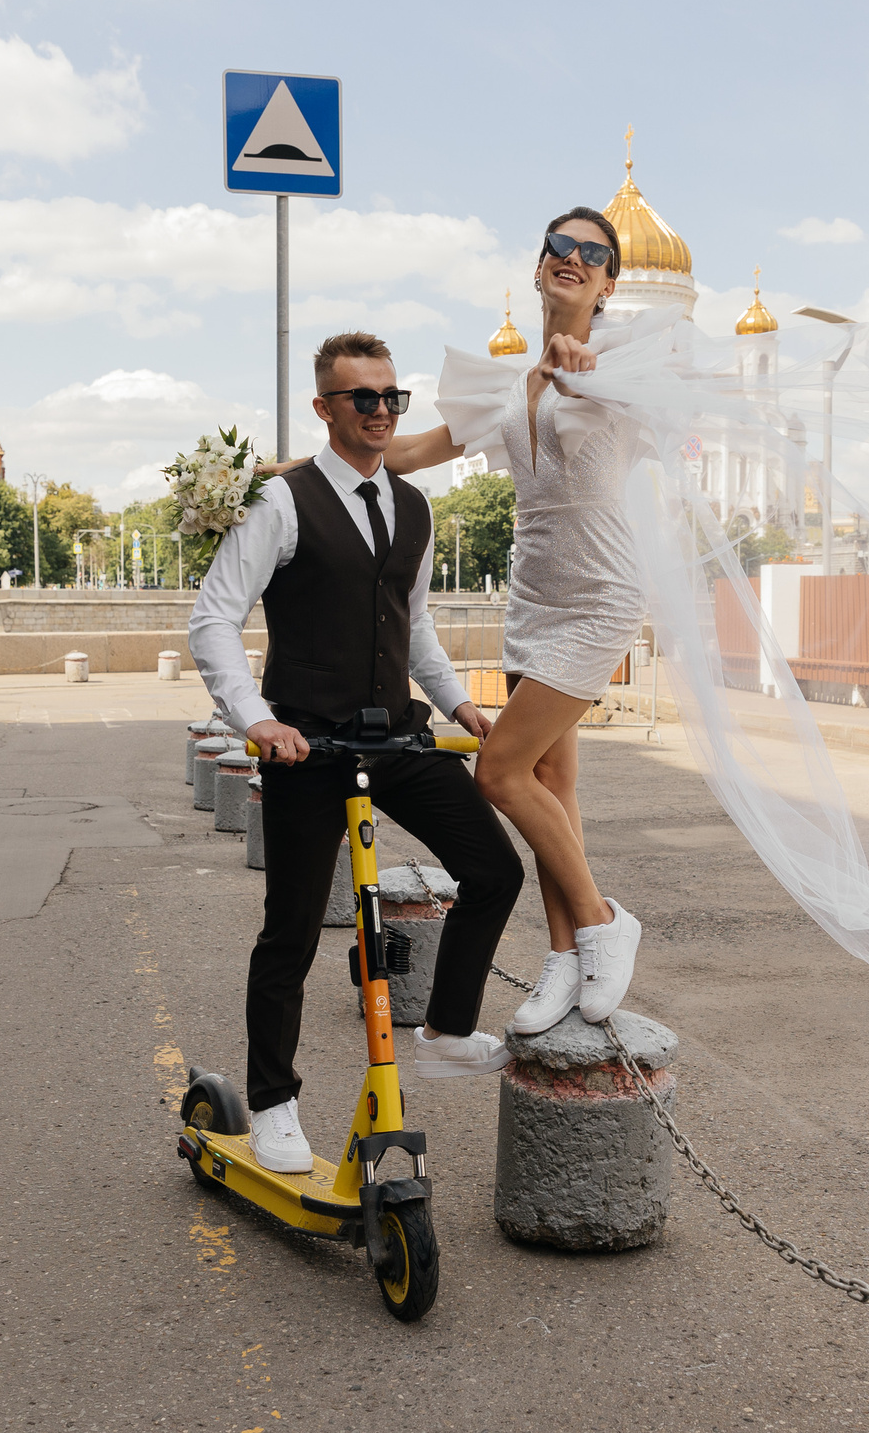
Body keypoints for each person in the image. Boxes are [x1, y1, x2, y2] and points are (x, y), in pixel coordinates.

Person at [189, 331, 524, 1177]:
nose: (381, 413)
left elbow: (414, 628)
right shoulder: (283, 502)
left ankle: (446, 1029)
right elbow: (213, 618)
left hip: (395, 734)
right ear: (324, 408)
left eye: (391, 398)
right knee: (291, 935)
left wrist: (457, 703)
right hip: (308, 743)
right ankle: (273, 1104)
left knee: (494, 869)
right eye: (362, 399)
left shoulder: (413, 506)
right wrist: (258, 720)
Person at [366, 207, 646, 1033]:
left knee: (497, 774)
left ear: (607, 283)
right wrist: (293, 469)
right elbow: (411, 453)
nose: (574, 258)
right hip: (532, 601)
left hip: (598, 597)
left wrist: (578, 361)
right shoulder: (502, 384)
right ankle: (564, 959)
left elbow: (600, 371)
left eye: (593, 254)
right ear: (539, 267)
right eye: (560, 247)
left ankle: (600, 921)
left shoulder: (622, 364)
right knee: (551, 785)